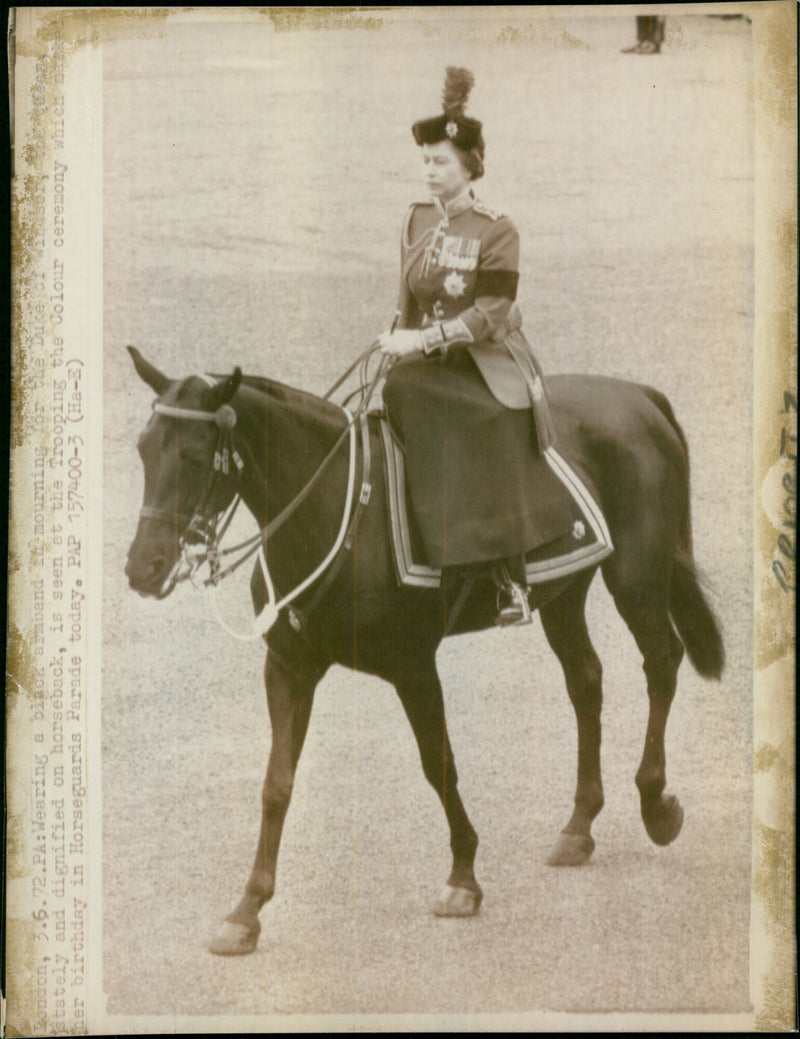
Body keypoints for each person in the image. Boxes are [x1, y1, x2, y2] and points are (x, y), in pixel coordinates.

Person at [379, 67, 563, 627]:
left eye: (442, 163)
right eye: (427, 161)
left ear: (469, 168)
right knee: (396, 391)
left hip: (487, 359)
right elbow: (408, 297)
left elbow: (491, 313)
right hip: (428, 353)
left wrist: (425, 339)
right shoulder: (414, 219)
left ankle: (509, 574)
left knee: (484, 423)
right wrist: (397, 342)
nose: (430, 171)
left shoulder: (496, 228)